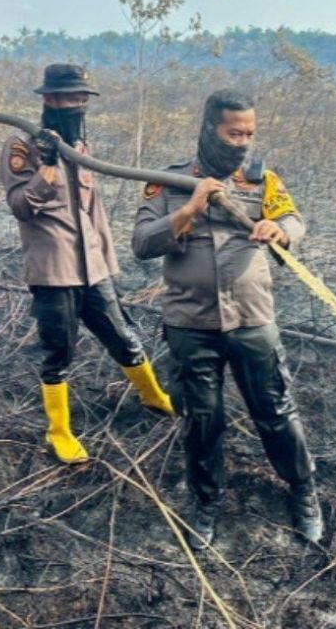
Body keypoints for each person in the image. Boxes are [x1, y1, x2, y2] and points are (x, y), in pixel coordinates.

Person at [132, 89, 323, 547]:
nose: (241, 142)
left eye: (249, 134)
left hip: (252, 319)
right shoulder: (167, 181)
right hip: (190, 323)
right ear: (210, 129)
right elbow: (141, 243)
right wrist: (190, 208)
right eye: (233, 132)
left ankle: (303, 493)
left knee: (275, 411)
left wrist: (281, 229)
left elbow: (294, 219)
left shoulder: (261, 180)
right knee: (202, 418)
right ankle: (206, 502)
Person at [1, 63, 175, 464]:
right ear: (49, 99)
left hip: (93, 270)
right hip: (53, 271)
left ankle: (153, 396)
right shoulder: (22, 145)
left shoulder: (80, 146)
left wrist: (108, 263)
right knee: (58, 352)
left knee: (124, 336)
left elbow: (93, 212)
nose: (78, 105)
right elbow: (20, 207)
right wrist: (46, 168)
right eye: (70, 98)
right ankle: (59, 431)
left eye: (83, 98)